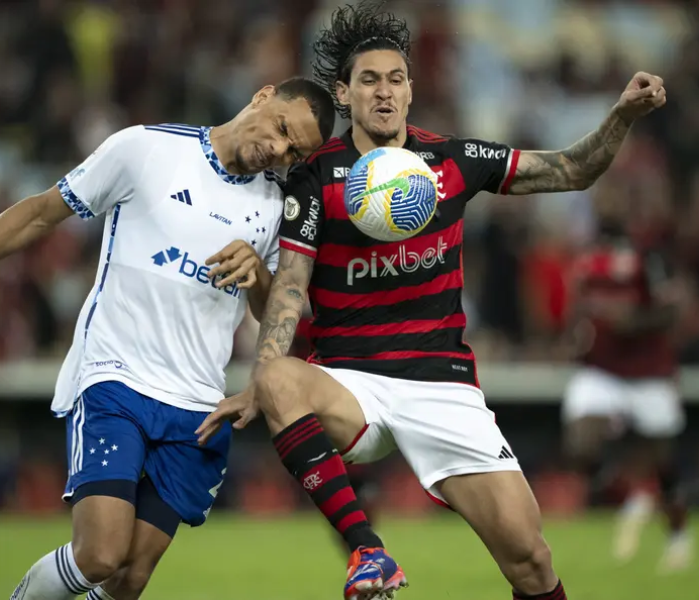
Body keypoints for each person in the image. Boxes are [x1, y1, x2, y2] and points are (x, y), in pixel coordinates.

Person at [197, 4, 666, 600]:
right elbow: (289, 288)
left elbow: (572, 169)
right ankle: (368, 552)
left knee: (531, 562)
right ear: (344, 92)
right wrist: (260, 383)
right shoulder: (314, 178)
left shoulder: (451, 161)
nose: (384, 92)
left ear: (412, 90)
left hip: (443, 384)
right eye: (368, 80)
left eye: (395, 79)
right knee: (278, 377)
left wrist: (621, 116)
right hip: (350, 381)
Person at [0, 76, 336, 600]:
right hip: (116, 379)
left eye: (294, 150)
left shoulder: (277, 206)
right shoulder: (145, 148)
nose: (279, 149)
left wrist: (259, 276)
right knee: (99, 555)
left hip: (198, 405)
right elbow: (40, 214)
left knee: (129, 578)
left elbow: (276, 317)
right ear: (263, 96)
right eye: (283, 128)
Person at [563, 186, 691, 572]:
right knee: (580, 444)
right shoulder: (586, 259)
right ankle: (633, 494)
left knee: (664, 465)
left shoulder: (646, 257)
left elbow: (672, 311)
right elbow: (582, 311)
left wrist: (634, 323)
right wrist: (575, 335)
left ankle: (677, 536)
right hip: (602, 370)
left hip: (648, 372)